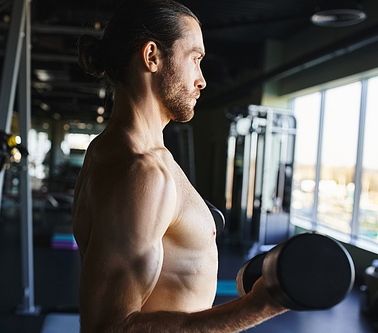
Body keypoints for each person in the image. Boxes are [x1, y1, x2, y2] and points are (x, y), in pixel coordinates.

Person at [72, 0, 287, 331]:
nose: (201, 80)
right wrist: (259, 307)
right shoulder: (142, 171)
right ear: (152, 57)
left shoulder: (108, 150)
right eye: (195, 59)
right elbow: (109, 327)